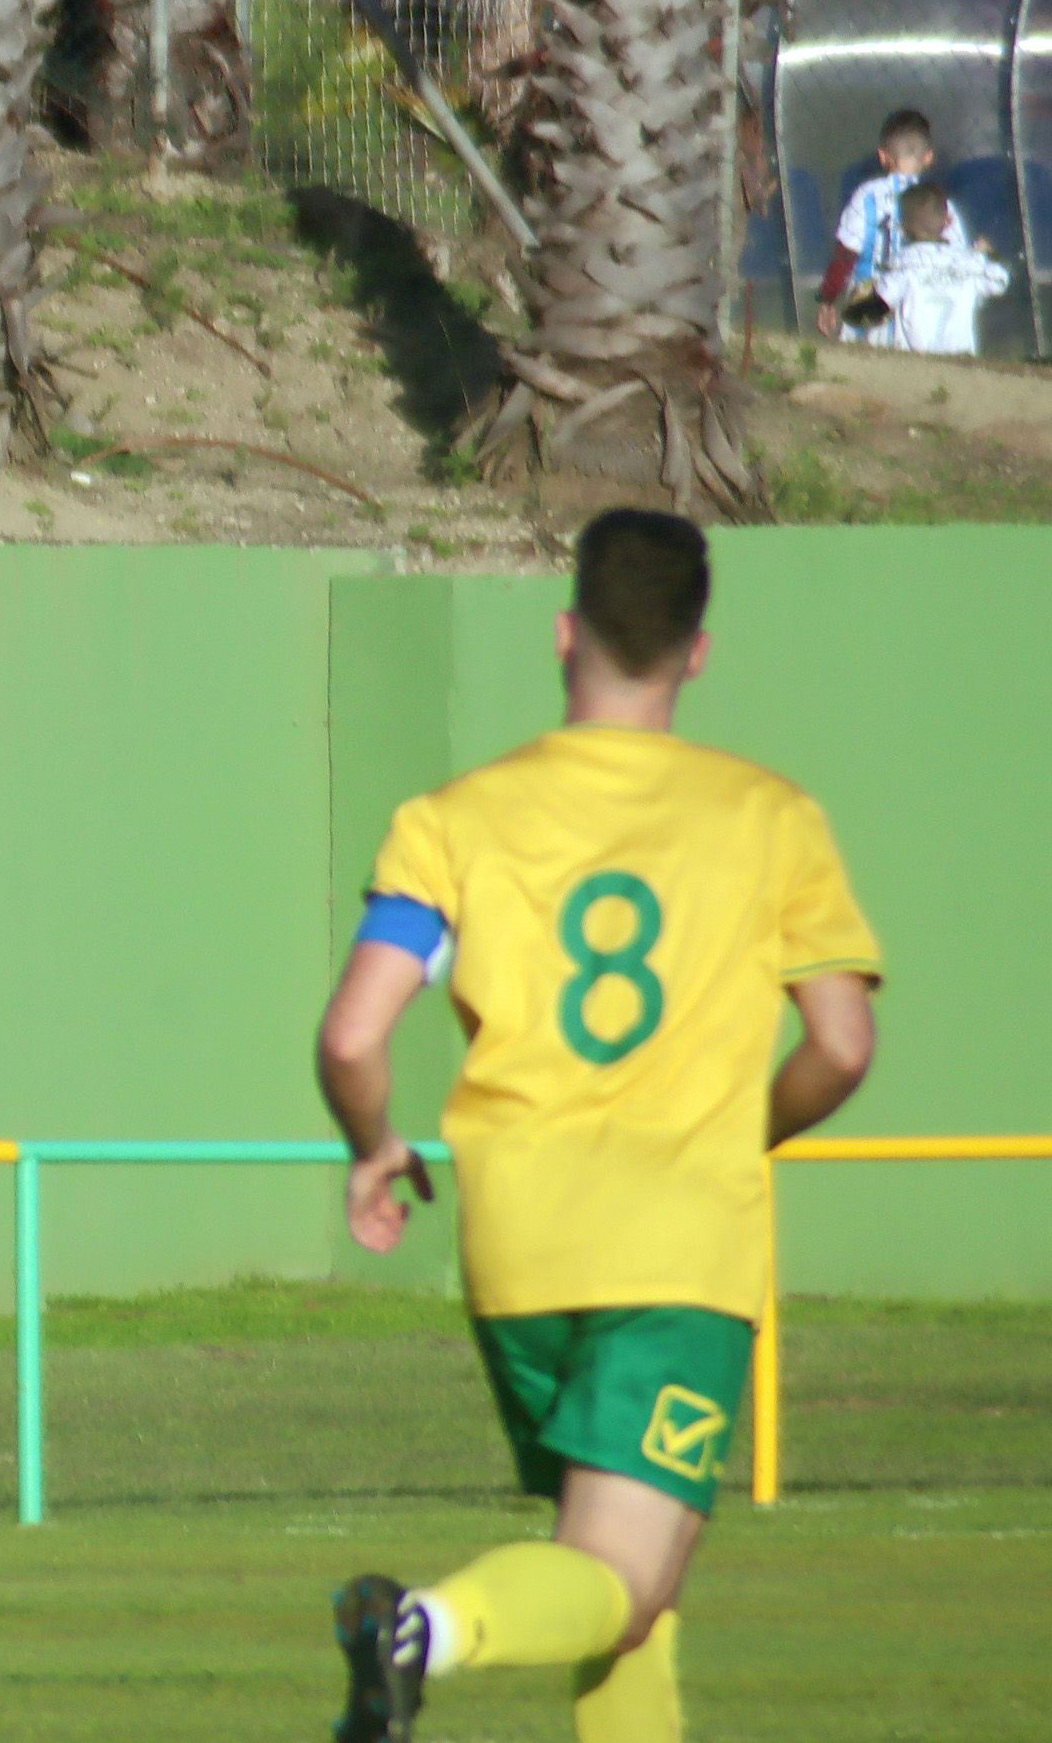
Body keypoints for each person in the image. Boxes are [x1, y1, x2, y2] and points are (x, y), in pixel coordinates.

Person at [313, 510, 881, 1743]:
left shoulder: (452, 818)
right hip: (674, 1251)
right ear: (697, 651)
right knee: (620, 1578)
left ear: (563, 634)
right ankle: (424, 1629)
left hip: (517, 1248)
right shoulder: (767, 815)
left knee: (624, 1581)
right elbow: (839, 1044)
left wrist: (372, 1146)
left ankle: (442, 1635)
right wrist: (745, 1132)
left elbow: (354, 1035)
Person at [815, 109, 967, 341]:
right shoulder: (941, 204)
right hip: (920, 313)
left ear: (883, 156)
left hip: (869, 310)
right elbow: (957, 257)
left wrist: (827, 299)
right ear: (928, 158)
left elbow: (845, 255)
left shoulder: (866, 196)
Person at [870, 184, 1009, 357]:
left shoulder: (902, 267)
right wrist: (989, 255)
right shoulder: (970, 264)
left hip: (915, 360)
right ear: (948, 221)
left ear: (903, 228)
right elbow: (1000, 281)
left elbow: (877, 304)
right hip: (961, 360)